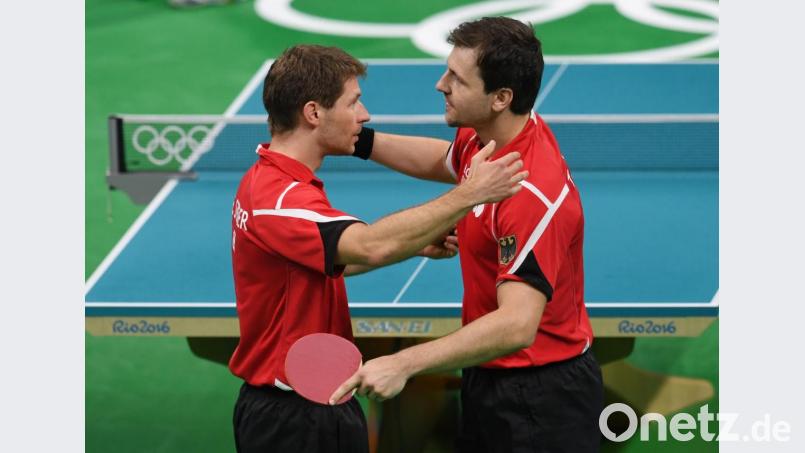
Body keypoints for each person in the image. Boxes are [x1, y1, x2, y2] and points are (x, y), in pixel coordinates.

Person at [228, 44, 527, 453]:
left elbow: (331, 260)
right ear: (314, 113)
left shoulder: (270, 181)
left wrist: (415, 243)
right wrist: (470, 194)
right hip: (295, 416)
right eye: (353, 103)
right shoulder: (280, 201)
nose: (364, 115)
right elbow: (368, 247)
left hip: (310, 400)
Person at [330, 17, 604, 452]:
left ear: (500, 98)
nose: (441, 85)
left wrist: (404, 362)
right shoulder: (489, 141)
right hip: (488, 374)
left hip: (539, 399)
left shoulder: (530, 192)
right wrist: (358, 141)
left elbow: (517, 325)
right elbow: (444, 160)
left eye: (457, 78)